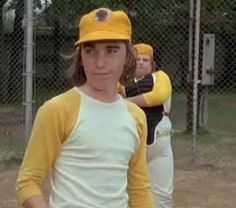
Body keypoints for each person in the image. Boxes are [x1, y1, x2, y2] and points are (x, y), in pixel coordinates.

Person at [15, 8, 154, 208]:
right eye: (90, 51)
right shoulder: (58, 110)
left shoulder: (136, 117)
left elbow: (139, 188)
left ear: (128, 55)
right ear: (81, 57)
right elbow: (28, 182)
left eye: (111, 50)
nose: (100, 63)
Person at [118, 43, 174, 208]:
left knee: (162, 194)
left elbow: (159, 95)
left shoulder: (160, 76)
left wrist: (126, 101)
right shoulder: (122, 82)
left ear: (151, 64)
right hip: (132, 142)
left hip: (159, 140)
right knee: (130, 192)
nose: (141, 62)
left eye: (145, 60)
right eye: (137, 59)